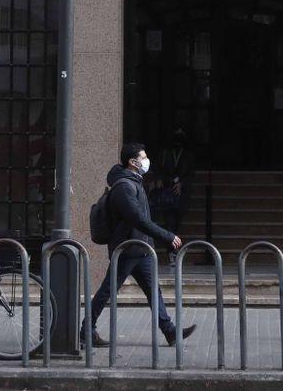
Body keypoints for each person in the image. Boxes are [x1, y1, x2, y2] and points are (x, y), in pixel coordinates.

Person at [81, 142, 197, 347]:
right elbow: (138, 219)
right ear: (133, 162)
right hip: (127, 249)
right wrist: (167, 235)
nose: (146, 160)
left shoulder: (134, 181)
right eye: (143, 157)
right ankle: (86, 330)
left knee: (154, 291)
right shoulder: (124, 187)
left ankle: (169, 331)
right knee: (107, 291)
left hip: (141, 248)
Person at [151, 128, 195, 234]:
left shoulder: (188, 155)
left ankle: (173, 241)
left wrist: (182, 183)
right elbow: (157, 167)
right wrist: (159, 178)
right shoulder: (165, 153)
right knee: (169, 219)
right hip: (167, 188)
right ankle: (171, 245)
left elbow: (192, 174)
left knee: (178, 217)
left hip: (181, 192)